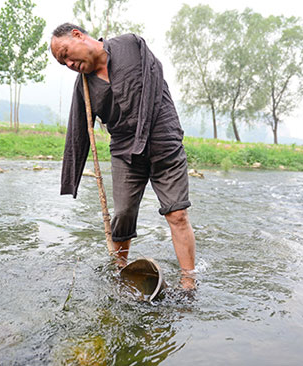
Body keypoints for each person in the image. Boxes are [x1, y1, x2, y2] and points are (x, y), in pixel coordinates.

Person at [50, 23, 196, 289]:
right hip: (125, 153)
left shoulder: (130, 45)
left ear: (78, 35)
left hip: (163, 141)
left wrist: (155, 129)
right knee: (123, 214)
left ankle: (189, 281)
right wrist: (71, 180)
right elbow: (78, 132)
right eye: (64, 62)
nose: (69, 63)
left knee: (177, 214)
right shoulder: (83, 87)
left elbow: (156, 76)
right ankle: (121, 276)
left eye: (67, 54)